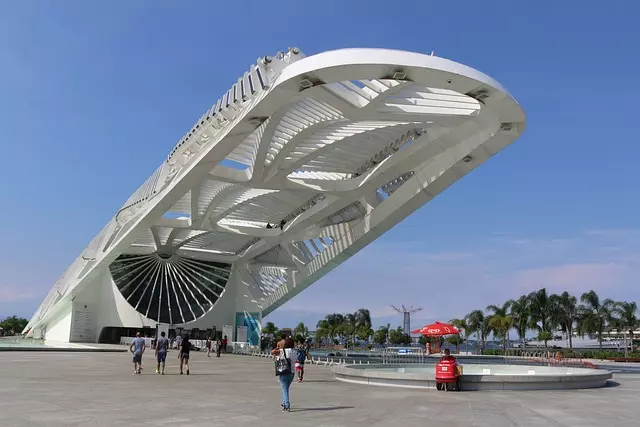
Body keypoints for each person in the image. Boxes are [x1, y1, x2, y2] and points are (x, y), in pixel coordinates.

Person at [272, 337, 295, 411]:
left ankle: (287, 404)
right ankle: (284, 402)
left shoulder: (282, 351)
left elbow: (272, 352)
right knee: (286, 388)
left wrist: (276, 348)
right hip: (292, 373)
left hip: (283, 372)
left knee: (284, 389)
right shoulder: (294, 351)